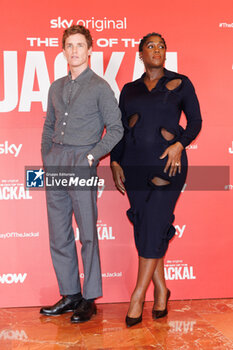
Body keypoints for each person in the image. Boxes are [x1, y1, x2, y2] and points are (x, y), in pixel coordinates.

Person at [111, 32, 202, 327]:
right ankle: (162, 289)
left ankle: (138, 295)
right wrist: (114, 160)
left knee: (153, 220)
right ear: (141, 54)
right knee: (145, 223)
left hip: (168, 166)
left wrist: (180, 144)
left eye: (161, 45)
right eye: (150, 46)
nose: (157, 50)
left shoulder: (181, 83)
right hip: (133, 166)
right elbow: (122, 130)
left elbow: (196, 121)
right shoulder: (129, 89)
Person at [40, 25, 123, 323]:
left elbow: (116, 129)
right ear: (63, 51)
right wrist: (47, 156)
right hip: (57, 160)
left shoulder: (100, 87)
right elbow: (49, 125)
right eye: (69, 46)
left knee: (87, 232)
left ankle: (89, 298)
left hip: (82, 159)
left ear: (90, 50)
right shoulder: (56, 86)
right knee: (59, 231)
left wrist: (91, 155)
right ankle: (70, 293)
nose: (74, 50)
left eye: (79, 45)